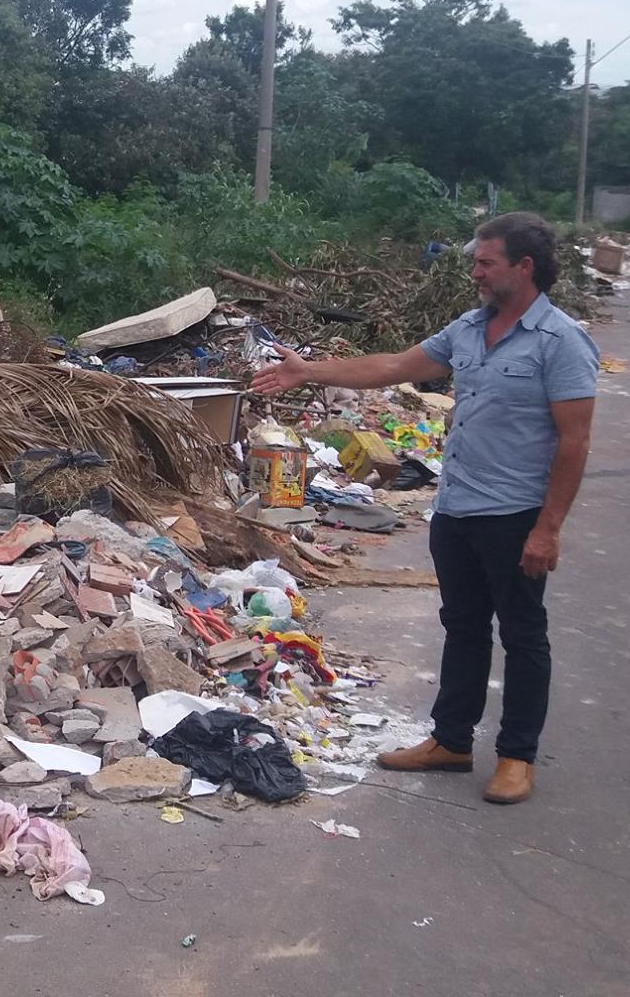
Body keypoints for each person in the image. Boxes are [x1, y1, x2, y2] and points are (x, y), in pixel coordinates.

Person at [249, 213, 598, 804]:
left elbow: (575, 440)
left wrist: (549, 528)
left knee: (522, 635)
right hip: (457, 507)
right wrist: (309, 370)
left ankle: (517, 756)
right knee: (462, 627)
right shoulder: (467, 329)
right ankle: (452, 741)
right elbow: (392, 366)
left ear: (525, 267)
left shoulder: (561, 341)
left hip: (515, 514)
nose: (475, 273)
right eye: (475, 262)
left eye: (486, 263)